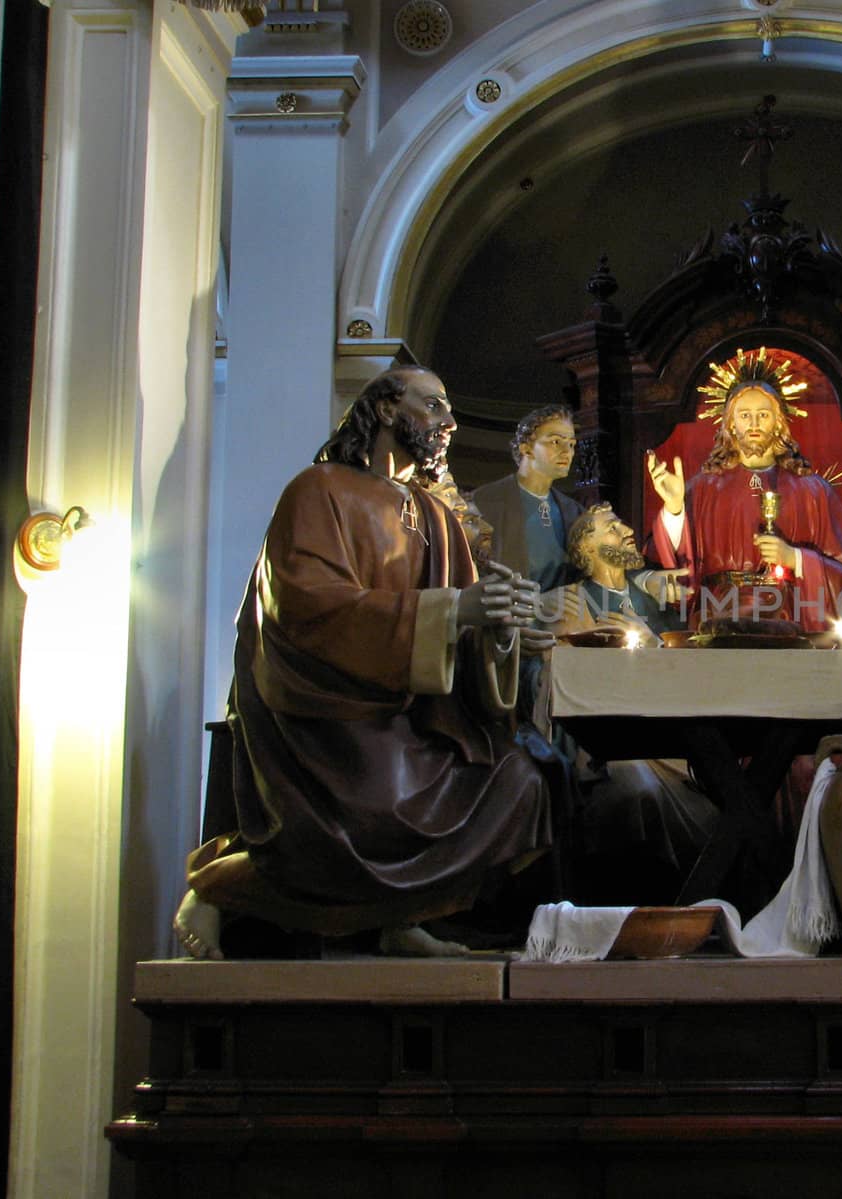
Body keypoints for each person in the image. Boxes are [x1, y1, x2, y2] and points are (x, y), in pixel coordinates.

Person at [173, 366, 556, 960]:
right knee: (372, 815)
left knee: (520, 785)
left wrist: (501, 630)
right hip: (329, 720)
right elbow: (306, 610)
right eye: (431, 405)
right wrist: (455, 611)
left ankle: (403, 919)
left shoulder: (438, 518)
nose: (448, 421)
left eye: (450, 409)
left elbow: (465, 637)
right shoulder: (319, 490)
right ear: (383, 409)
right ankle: (218, 887)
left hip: (414, 721)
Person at [544, 504, 717, 903]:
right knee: (634, 791)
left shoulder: (659, 603)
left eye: (623, 522)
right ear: (586, 547)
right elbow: (554, 679)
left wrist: (651, 641)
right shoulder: (565, 603)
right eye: (610, 526)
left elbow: (692, 676)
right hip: (607, 741)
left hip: (672, 744)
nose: (625, 529)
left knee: (718, 812)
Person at [647, 347, 842, 630]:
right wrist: (675, 510)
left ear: (779, 423)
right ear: (729, 423)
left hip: (789, 614)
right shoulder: (702, 488)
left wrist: (795, 558)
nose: (753, 423)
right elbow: (668, 571)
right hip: (717, 614)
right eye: (744, 415)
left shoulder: (813, 491)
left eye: (763, 415)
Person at [469, 404, 583, 590]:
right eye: (556, 441)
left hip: (560, 615)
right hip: (504, 611)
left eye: (571, 444)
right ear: (526, 448)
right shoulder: (484, 502)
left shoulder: (574, 512)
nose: (567, 452)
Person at [546, 503, 681, 639]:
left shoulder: (654, 595)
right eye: (612, 528)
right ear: (587, 547)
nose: (629, 531)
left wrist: (651, 642)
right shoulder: (569, 603)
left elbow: (683, 651)